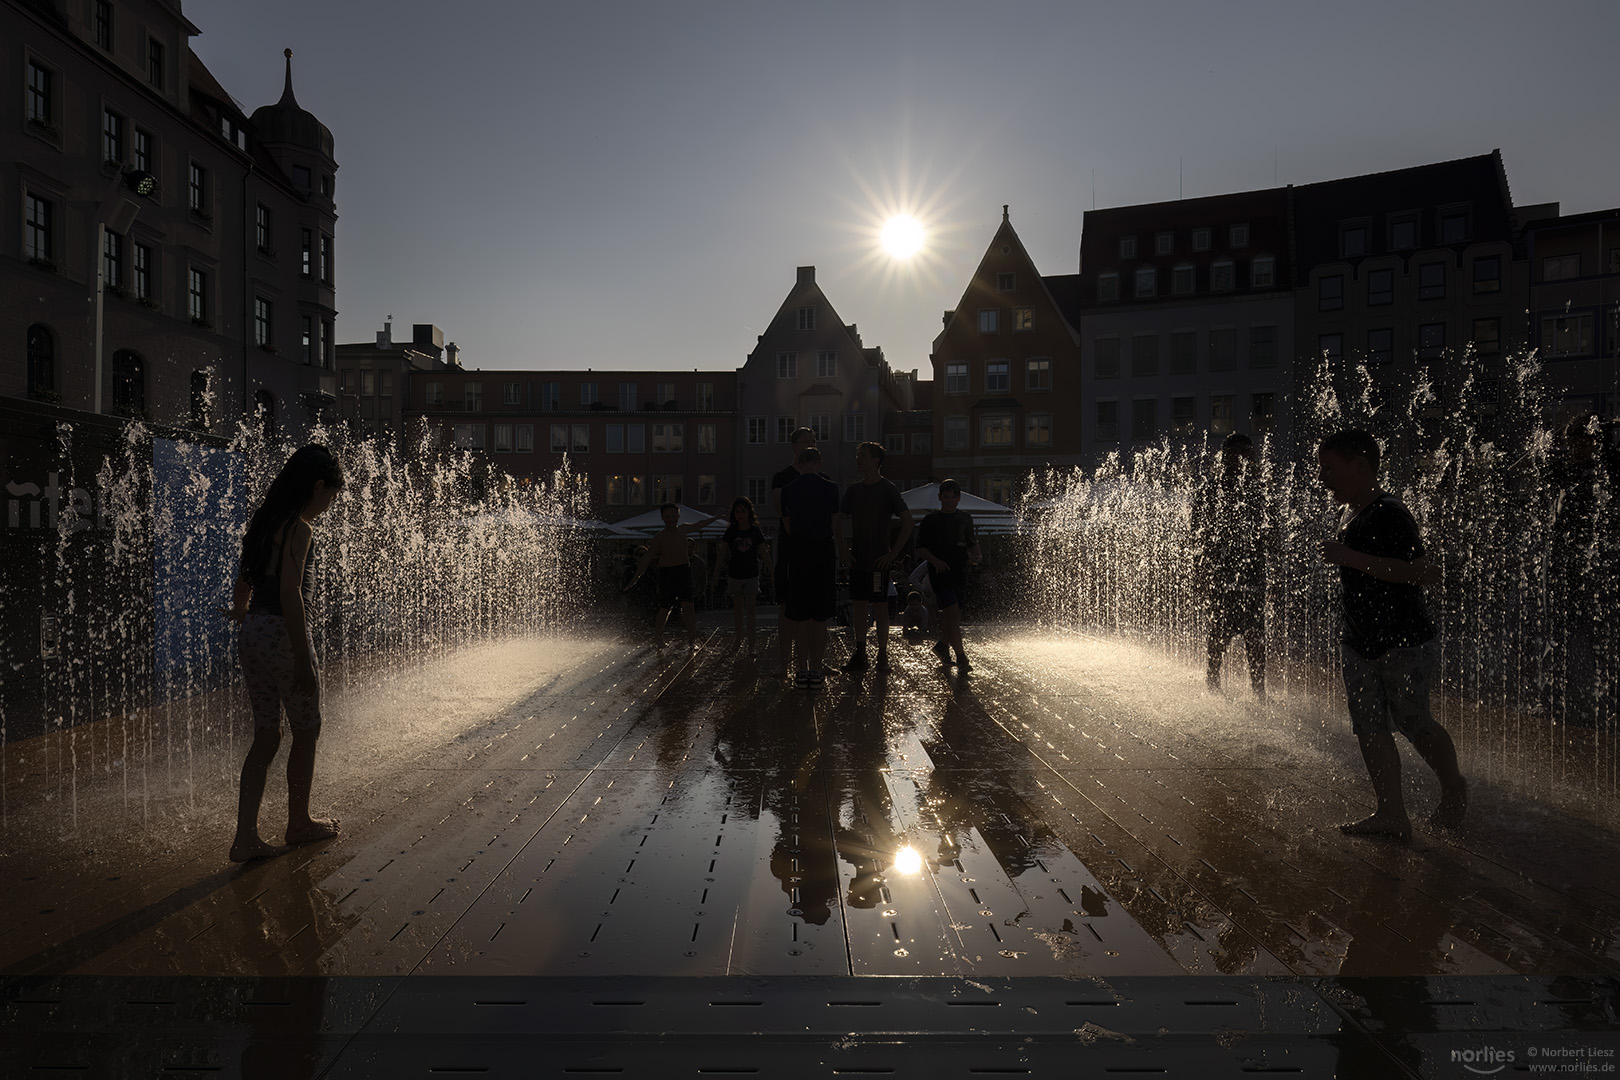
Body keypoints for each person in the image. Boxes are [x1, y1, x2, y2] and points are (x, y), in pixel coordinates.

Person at [1318, 428, 1466, 841]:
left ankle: (1453, 785)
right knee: (1369, 726)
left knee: (1414, 721)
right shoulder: (1350, 512)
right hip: (1359, 640)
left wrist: (1349, 557)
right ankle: (1391, 812)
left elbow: (1422, 573)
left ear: (1360, 466)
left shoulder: (1390, 512)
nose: (1322, 478)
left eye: (1330, 468)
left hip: (1402, 640)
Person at [222, 444, 345, 862]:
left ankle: (245, 837)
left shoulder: (263, 522)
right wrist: (303, 657)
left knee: (267, 734)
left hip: (252, 631)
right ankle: (299, 823)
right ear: (317, 486)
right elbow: (292, 593)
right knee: (307, 728)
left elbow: (244, 581)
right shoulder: (299, 528)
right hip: (281, 631)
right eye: (331, 494)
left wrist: (241, 611)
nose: (330, 503)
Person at [1192, 433, 1268, 696]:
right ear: (1224, 458)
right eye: (1235, 454)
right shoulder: (1210, 490)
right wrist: (1200, 572)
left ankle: (1259, 689)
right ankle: (1212, 682)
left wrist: (1275, 573)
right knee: (1219, 631)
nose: (1241, 460)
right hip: (1220, 570)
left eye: (1246, 455)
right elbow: (1197, 535)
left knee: (1255, 635)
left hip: (1253, 572)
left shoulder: (1258, 491)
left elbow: (1271, 535)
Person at [840, 441, 914, 673]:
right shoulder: (853, 490)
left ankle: (882, 656)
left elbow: (908, 523)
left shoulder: (888, 489)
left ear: (876, 461)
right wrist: (842, 549)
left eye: (862, 455)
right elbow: (837, 522)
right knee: (859, 606)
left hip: (878, 562)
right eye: (857, 455)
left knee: (880, 607)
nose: (858, 459)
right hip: (858, 559)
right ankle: (860, 653)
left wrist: (892, 554)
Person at [780, 447, 845, 689]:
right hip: (822, 555)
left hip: (798, 555)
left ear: (799, 462)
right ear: (820, 462)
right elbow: (834, 522)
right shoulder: (831, 488)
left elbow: (787, 525)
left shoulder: (788, 490)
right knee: (819, 617)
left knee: (799, 616)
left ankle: (801, 670)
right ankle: (817, 669)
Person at [623, 503, 722, 650]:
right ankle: (659, 639)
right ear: (663, 518)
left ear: (678, 516)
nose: (671, 519)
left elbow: (700, 524)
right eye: (668, 517)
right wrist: (635, 578)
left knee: (688, 606)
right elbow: (647, 559)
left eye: (673, 516)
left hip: (683, 571)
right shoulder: (659, 537)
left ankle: (691, 640)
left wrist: (716, 517)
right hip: (667, 573)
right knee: (665, 607)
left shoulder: (683, 530)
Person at [915, 479, 982, 673]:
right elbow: (920, 548)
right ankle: (962, 658)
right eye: (946, 497)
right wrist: (935, 561)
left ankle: (942, 646)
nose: (950, 500)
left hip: (960, 572)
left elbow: (971, 541)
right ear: (940, 498)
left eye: (953, 497)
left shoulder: (964, 518)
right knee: (952, 613)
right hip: (940, 573)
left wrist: (977, 555)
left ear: (959, 498)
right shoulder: (931, 520)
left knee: (953, 616)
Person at [769, 427, 817, 674]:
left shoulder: (822, 476)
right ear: (794, 446)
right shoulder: (783, 476)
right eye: (807, 441)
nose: (811, 445)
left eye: (813, 442)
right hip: (790, 548)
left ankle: (813, 661)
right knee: (787, 604)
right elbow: (780, 508)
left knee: (814, 607)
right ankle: (784, 662)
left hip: (814, 548)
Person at [712, 496, 771, 655]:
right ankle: (738, 640)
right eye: (737, 511)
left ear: (749, 513)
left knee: (750, 610)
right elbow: (722, 552)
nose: (740, 514)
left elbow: (763, 552)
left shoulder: (754, 531)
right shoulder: (731, 531)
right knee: (738, 610)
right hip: (735, 574)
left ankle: (751, 644)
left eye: (743, 511)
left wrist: (772, 571)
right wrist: (715, 573)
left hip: (751, 573)